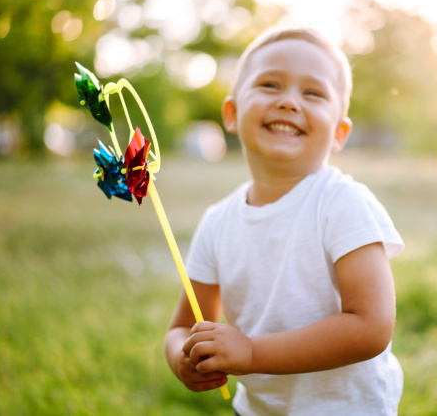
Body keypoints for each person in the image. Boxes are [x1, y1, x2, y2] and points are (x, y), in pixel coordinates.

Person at [164, 27, 404, 416]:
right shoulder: (217, 222)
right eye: (270, 84)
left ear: (339, 133)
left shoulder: (342, 204)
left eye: (313, 93)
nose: (290, 102)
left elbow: (371, 326)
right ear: (232, 113)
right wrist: (182, 358)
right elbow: (182, 327)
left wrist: (253, 352)